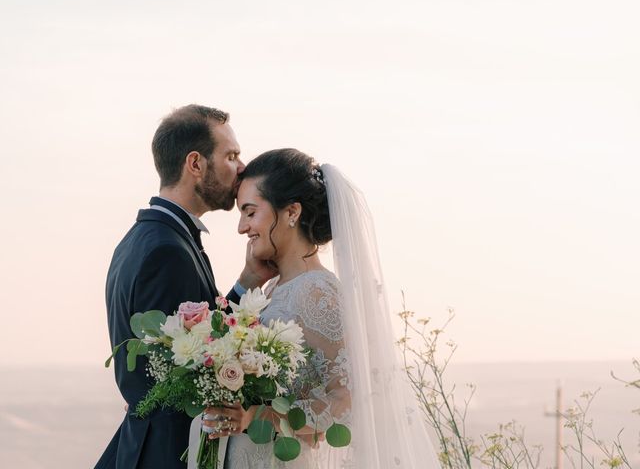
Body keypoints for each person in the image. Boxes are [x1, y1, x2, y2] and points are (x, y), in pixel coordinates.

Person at [203, 148, 441, 468]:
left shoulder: (318, 292)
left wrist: (261, 416)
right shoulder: (274, 288)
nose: (242, 228)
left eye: (250, 212)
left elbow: (348, 400)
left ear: (291, 212)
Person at [95, 105, 275, 469]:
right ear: (195, 164)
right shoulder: (167, 251)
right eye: (231, 155)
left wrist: (246, 283)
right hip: (167, 455)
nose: (241, 168)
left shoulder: (147, 239)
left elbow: (196, 339)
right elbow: (187, 374)